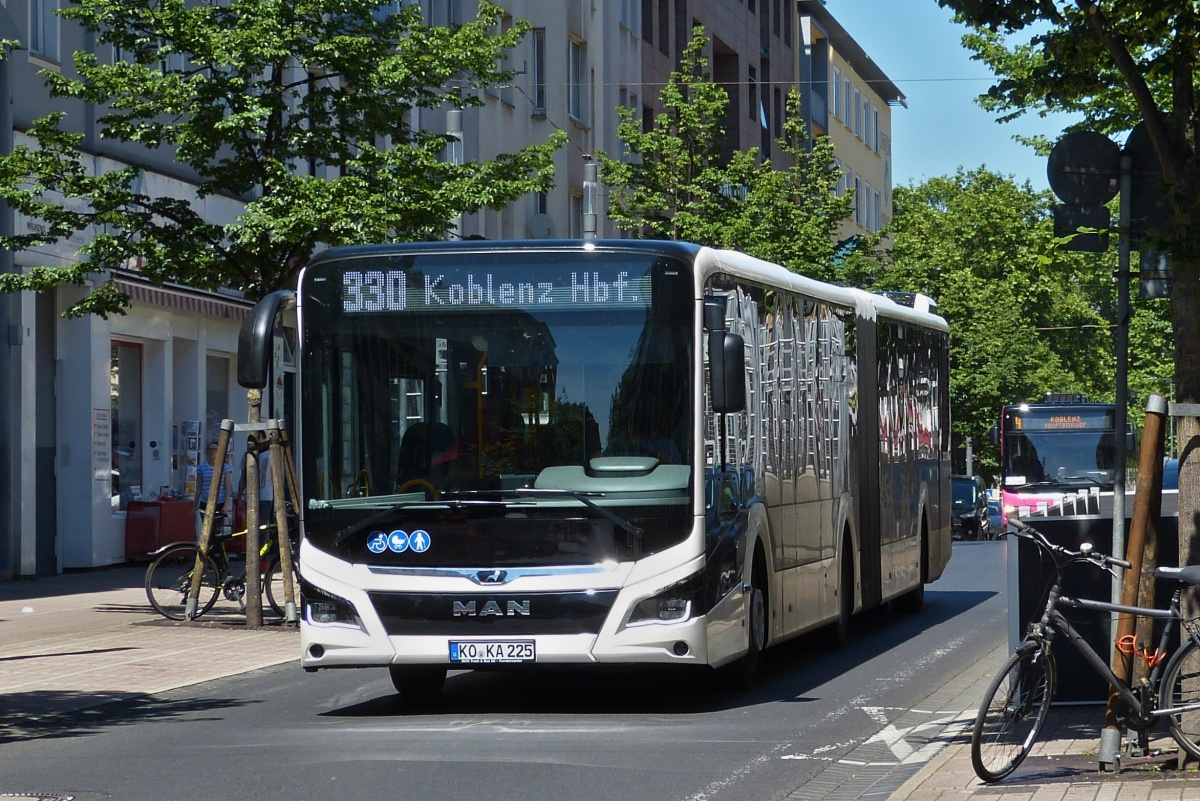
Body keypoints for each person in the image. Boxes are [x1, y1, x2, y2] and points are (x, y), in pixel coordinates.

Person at [195, 440, 233, 533]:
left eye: (215, 449)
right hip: (205, 502)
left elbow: (228, 487)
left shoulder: (225, 467)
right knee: (206, 529)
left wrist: (226, 505)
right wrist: (195, 504)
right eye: (210, 449)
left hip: (219, 502)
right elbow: (199, 486)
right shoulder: (202, 467)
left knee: (216, 529)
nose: (212, 451)